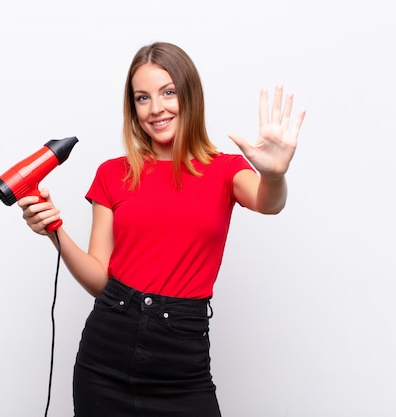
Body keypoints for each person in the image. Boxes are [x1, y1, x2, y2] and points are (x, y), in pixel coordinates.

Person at [18, 41, 306, 417]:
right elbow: (99, 280)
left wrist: (273, 173)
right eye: (142, 98)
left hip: (181, 362)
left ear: (189, 95)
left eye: (168, 92)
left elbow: (271, 203)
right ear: (133, 108)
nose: (156, 109)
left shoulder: (225, 170)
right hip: (105, 354)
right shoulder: (112, 174)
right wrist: (55, 230)